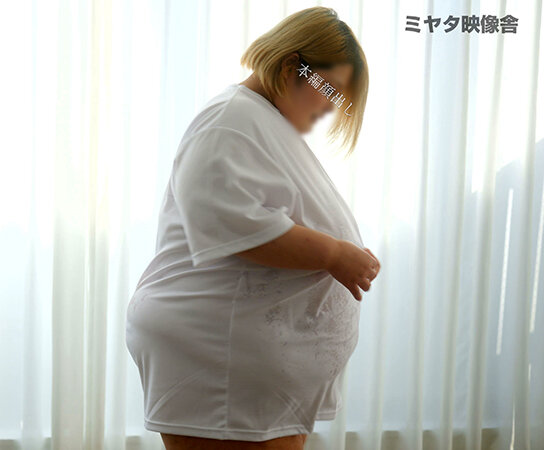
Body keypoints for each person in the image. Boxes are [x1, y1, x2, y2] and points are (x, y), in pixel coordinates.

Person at [125, 6, 380, 450]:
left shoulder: (256, 119)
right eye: (328, 90)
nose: (328, 108)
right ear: (291, 66)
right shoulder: (228, 120)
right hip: (217, 352)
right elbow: (229, 219)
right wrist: (335, 254)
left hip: (240, 359)